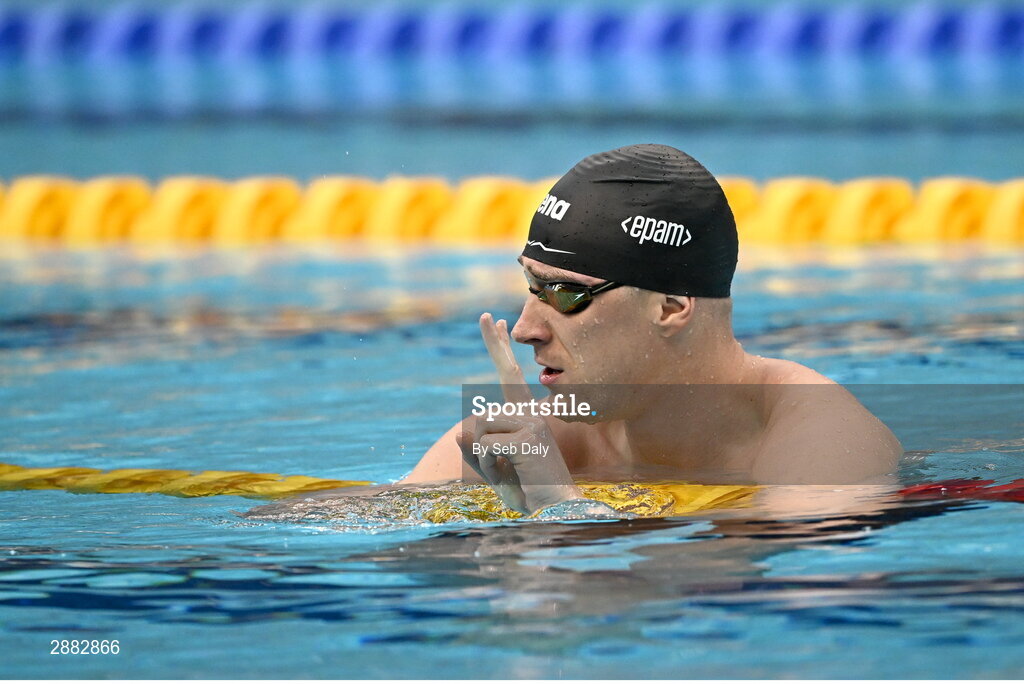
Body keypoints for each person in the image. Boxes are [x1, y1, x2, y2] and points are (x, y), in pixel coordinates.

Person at [401, 144, 902, 516]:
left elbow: (798, 621)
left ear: (669, 308)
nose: (526, 329)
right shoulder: (545, 437)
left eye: (566, 294)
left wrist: (559, 509)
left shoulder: (822, 440)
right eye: (532, 287)